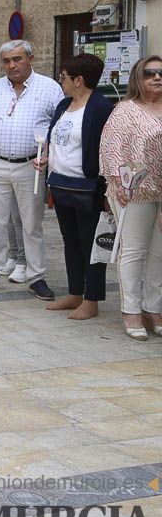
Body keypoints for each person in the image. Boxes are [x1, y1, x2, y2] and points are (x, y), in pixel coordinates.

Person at [0, 40, 63, 301]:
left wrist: (49, 156)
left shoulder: (50, 88)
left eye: (17, 59)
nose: (12, 65)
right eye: (7, 61)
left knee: (32, 224)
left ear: (30, 58)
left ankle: (36, 276)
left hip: (30, 164)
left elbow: (59, 127)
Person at [37, 53, 113, 320]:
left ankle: (91, 299)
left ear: (78, 80)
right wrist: (47, 158)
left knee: (91, 244)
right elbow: (57, 139)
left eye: (64, 77)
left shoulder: (100, 108)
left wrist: (106, 191)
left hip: (87, 187)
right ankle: (74, 293)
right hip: (60, 184)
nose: (61, 81)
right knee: (71, 242)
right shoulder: (63, 105)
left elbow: (106, 151)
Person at [98, 55, 162, 340]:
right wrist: (120, 182)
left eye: (161, 73)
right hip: (135, 189)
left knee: (159, 254)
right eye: (150, 73)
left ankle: (154, 308)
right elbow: (112, 148)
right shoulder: (125, 110)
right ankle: (131, 310)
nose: (157, 77)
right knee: (134, 250)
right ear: (138, 77)